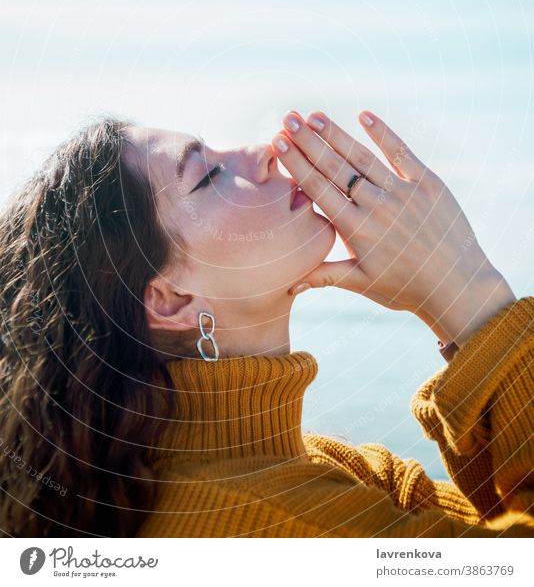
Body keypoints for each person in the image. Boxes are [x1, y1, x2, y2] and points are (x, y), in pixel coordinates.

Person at [0, 110, 532, 538]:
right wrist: (468, 296)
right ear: (169, 299)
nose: (264, 152)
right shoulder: (274, 524)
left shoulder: (334, 471)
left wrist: (466, 321)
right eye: (207, 176)